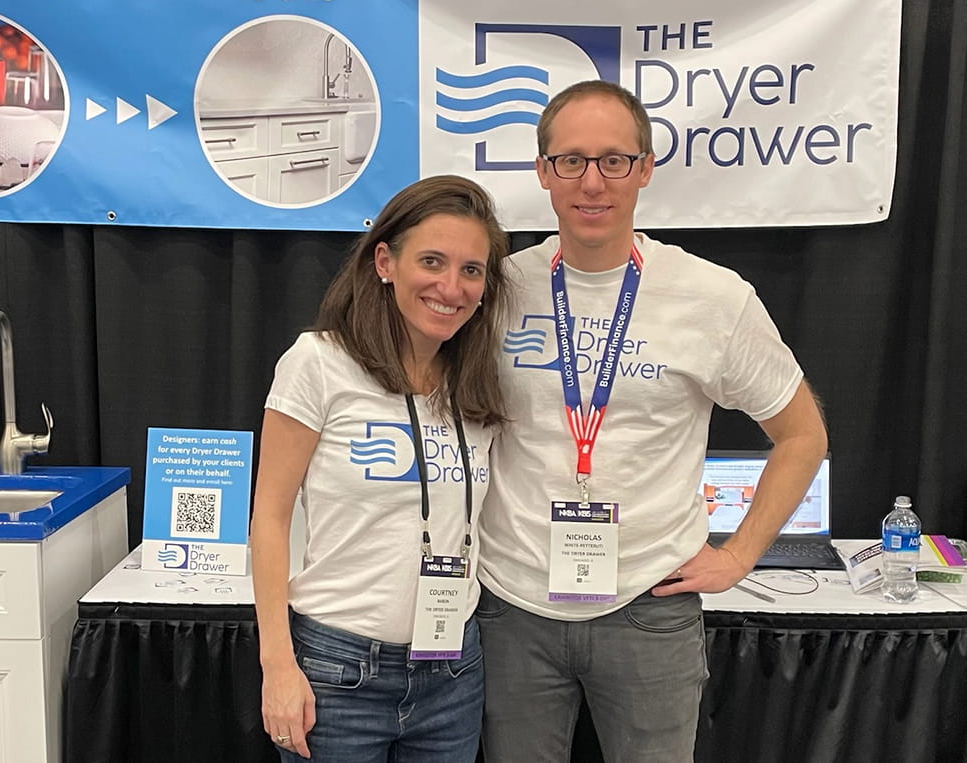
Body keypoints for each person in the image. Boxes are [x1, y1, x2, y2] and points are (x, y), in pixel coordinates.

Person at [477, 80, 828, 762]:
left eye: (614, 160)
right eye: (571, 160)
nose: (592, 182)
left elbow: (802, 432)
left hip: (649, 606)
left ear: (645, 168)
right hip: (511, 605)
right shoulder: (497, 288)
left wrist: (737, 555)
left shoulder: (712, 296)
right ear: (543, 171)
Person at [250, 175, 511, 761]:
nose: (452, 286)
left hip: (452, 672)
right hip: (337, 673)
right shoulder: (318, 363)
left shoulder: (478, 385)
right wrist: (278, 666)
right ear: (385, 262)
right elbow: (269, 517)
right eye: (432, 261)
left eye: (472, 270)